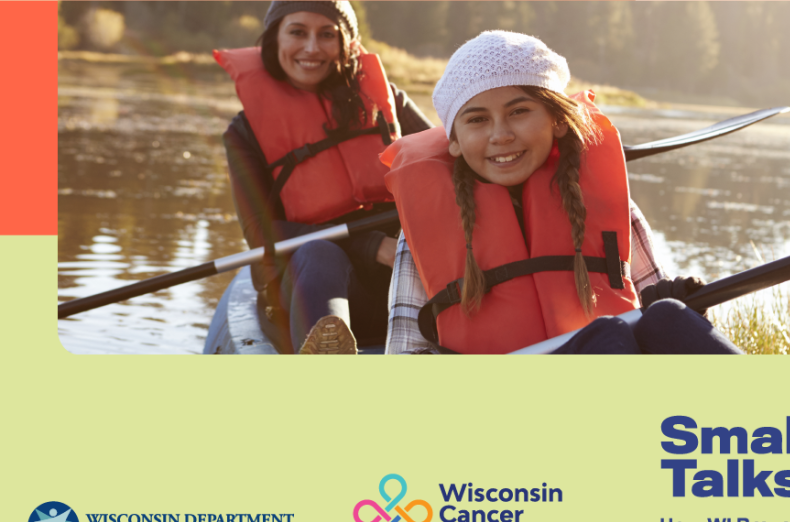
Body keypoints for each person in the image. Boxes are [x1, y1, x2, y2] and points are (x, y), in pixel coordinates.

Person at [382, 31, 743, 355]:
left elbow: (652, 295)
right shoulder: (422, 228)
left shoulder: (609, 204)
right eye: (477, 119)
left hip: (609, 362)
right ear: (455, 141)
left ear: (556, 120)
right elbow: (403, 356)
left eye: (519, 111)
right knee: (606, 335)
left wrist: (679, 302)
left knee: (667, 315)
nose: (500, 135)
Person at [216, 1, 433, 354]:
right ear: (274, 40)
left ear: (347, 43)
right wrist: (371, 245)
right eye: (298, 32)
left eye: (327, 34)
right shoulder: (244, 132)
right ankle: (329, 356)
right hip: (312, 287)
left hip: (405, 283)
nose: (312, 48)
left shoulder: (387, 100)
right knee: (319, 254)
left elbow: (448, 169)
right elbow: (261, 231)